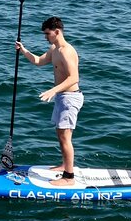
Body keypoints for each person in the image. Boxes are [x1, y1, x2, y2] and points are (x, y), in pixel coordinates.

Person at [15, 16, 83, 186]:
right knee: (61, 135)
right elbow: (39, 61)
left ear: (57, 31)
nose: (45, 37)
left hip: (70, 98)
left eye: (47, 33)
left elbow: (74, 78)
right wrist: (23, 50)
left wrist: (53, 90)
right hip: (62, 97)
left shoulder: (66, 51)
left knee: (65, 136)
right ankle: (64, 165)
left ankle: (69, 177)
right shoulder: (55, 49)